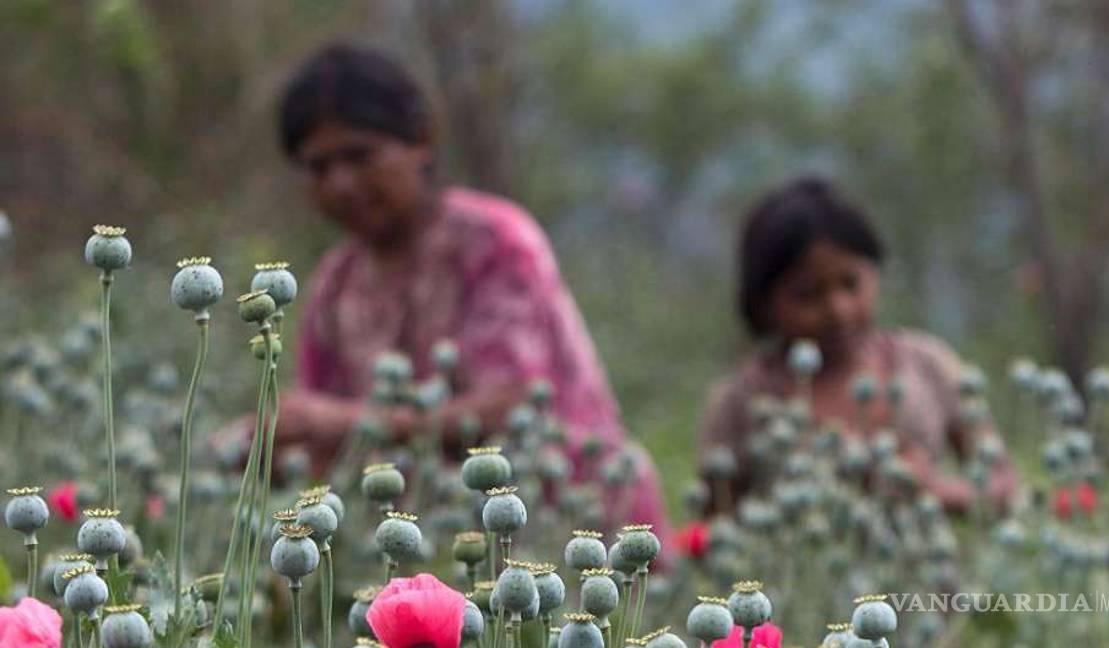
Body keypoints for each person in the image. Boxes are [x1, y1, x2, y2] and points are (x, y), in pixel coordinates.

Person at [249, 43, 670, 537]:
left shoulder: (493, 241)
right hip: (431, 551)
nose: (341, 183)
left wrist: (351, 424)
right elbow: (319, 440)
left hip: (574, 535)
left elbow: (514, 404)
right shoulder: (333, 286)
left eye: (359, 156)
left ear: (422, 141)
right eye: (319, 167)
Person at [699, 177, 1016, 515]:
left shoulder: (925, 365)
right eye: (808, 294)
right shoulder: (743, 401)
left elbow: (1004, 486)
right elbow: (716, 527)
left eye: (850, 284)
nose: (838, 310)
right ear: (763, 304)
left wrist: (934, 491)